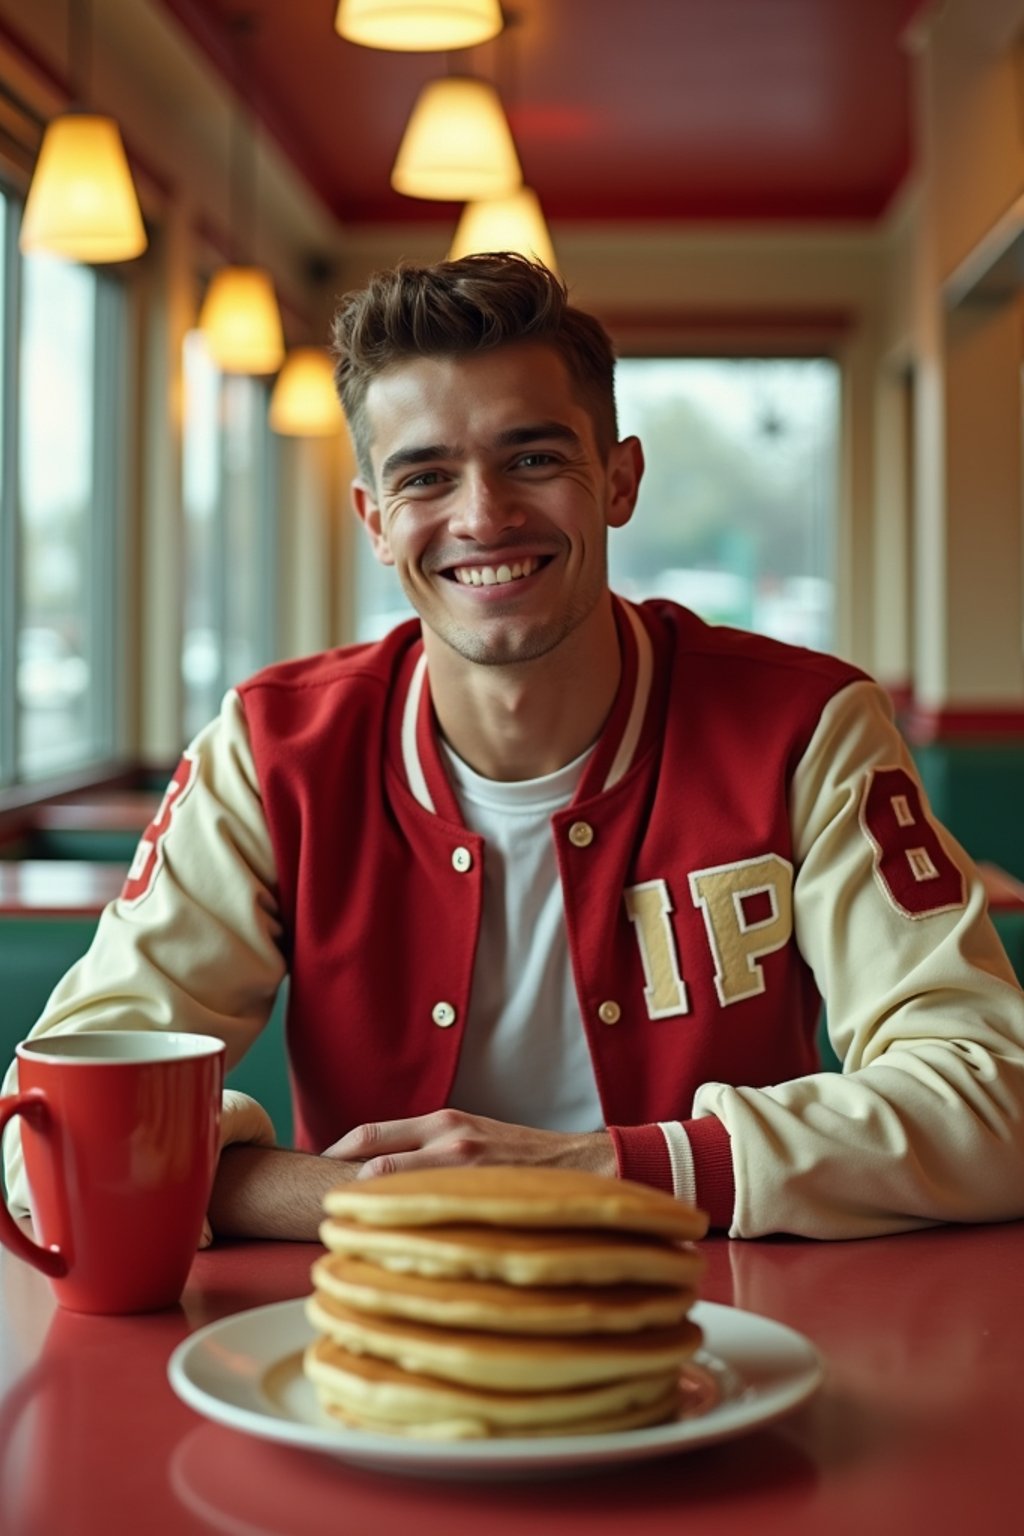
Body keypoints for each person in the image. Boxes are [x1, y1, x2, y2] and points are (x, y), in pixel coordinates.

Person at [4, 253, 1024, 1243]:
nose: (483, 516)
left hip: (723, 1328)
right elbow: (43, 1130)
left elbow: (996, 1101)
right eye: (425, 477)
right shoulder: (269, 751)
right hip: (371, 1344)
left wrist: (602, 1173)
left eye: (533, 457)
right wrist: (350, 1200)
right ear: (373, 519)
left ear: (618, 480)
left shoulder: (810, 727)